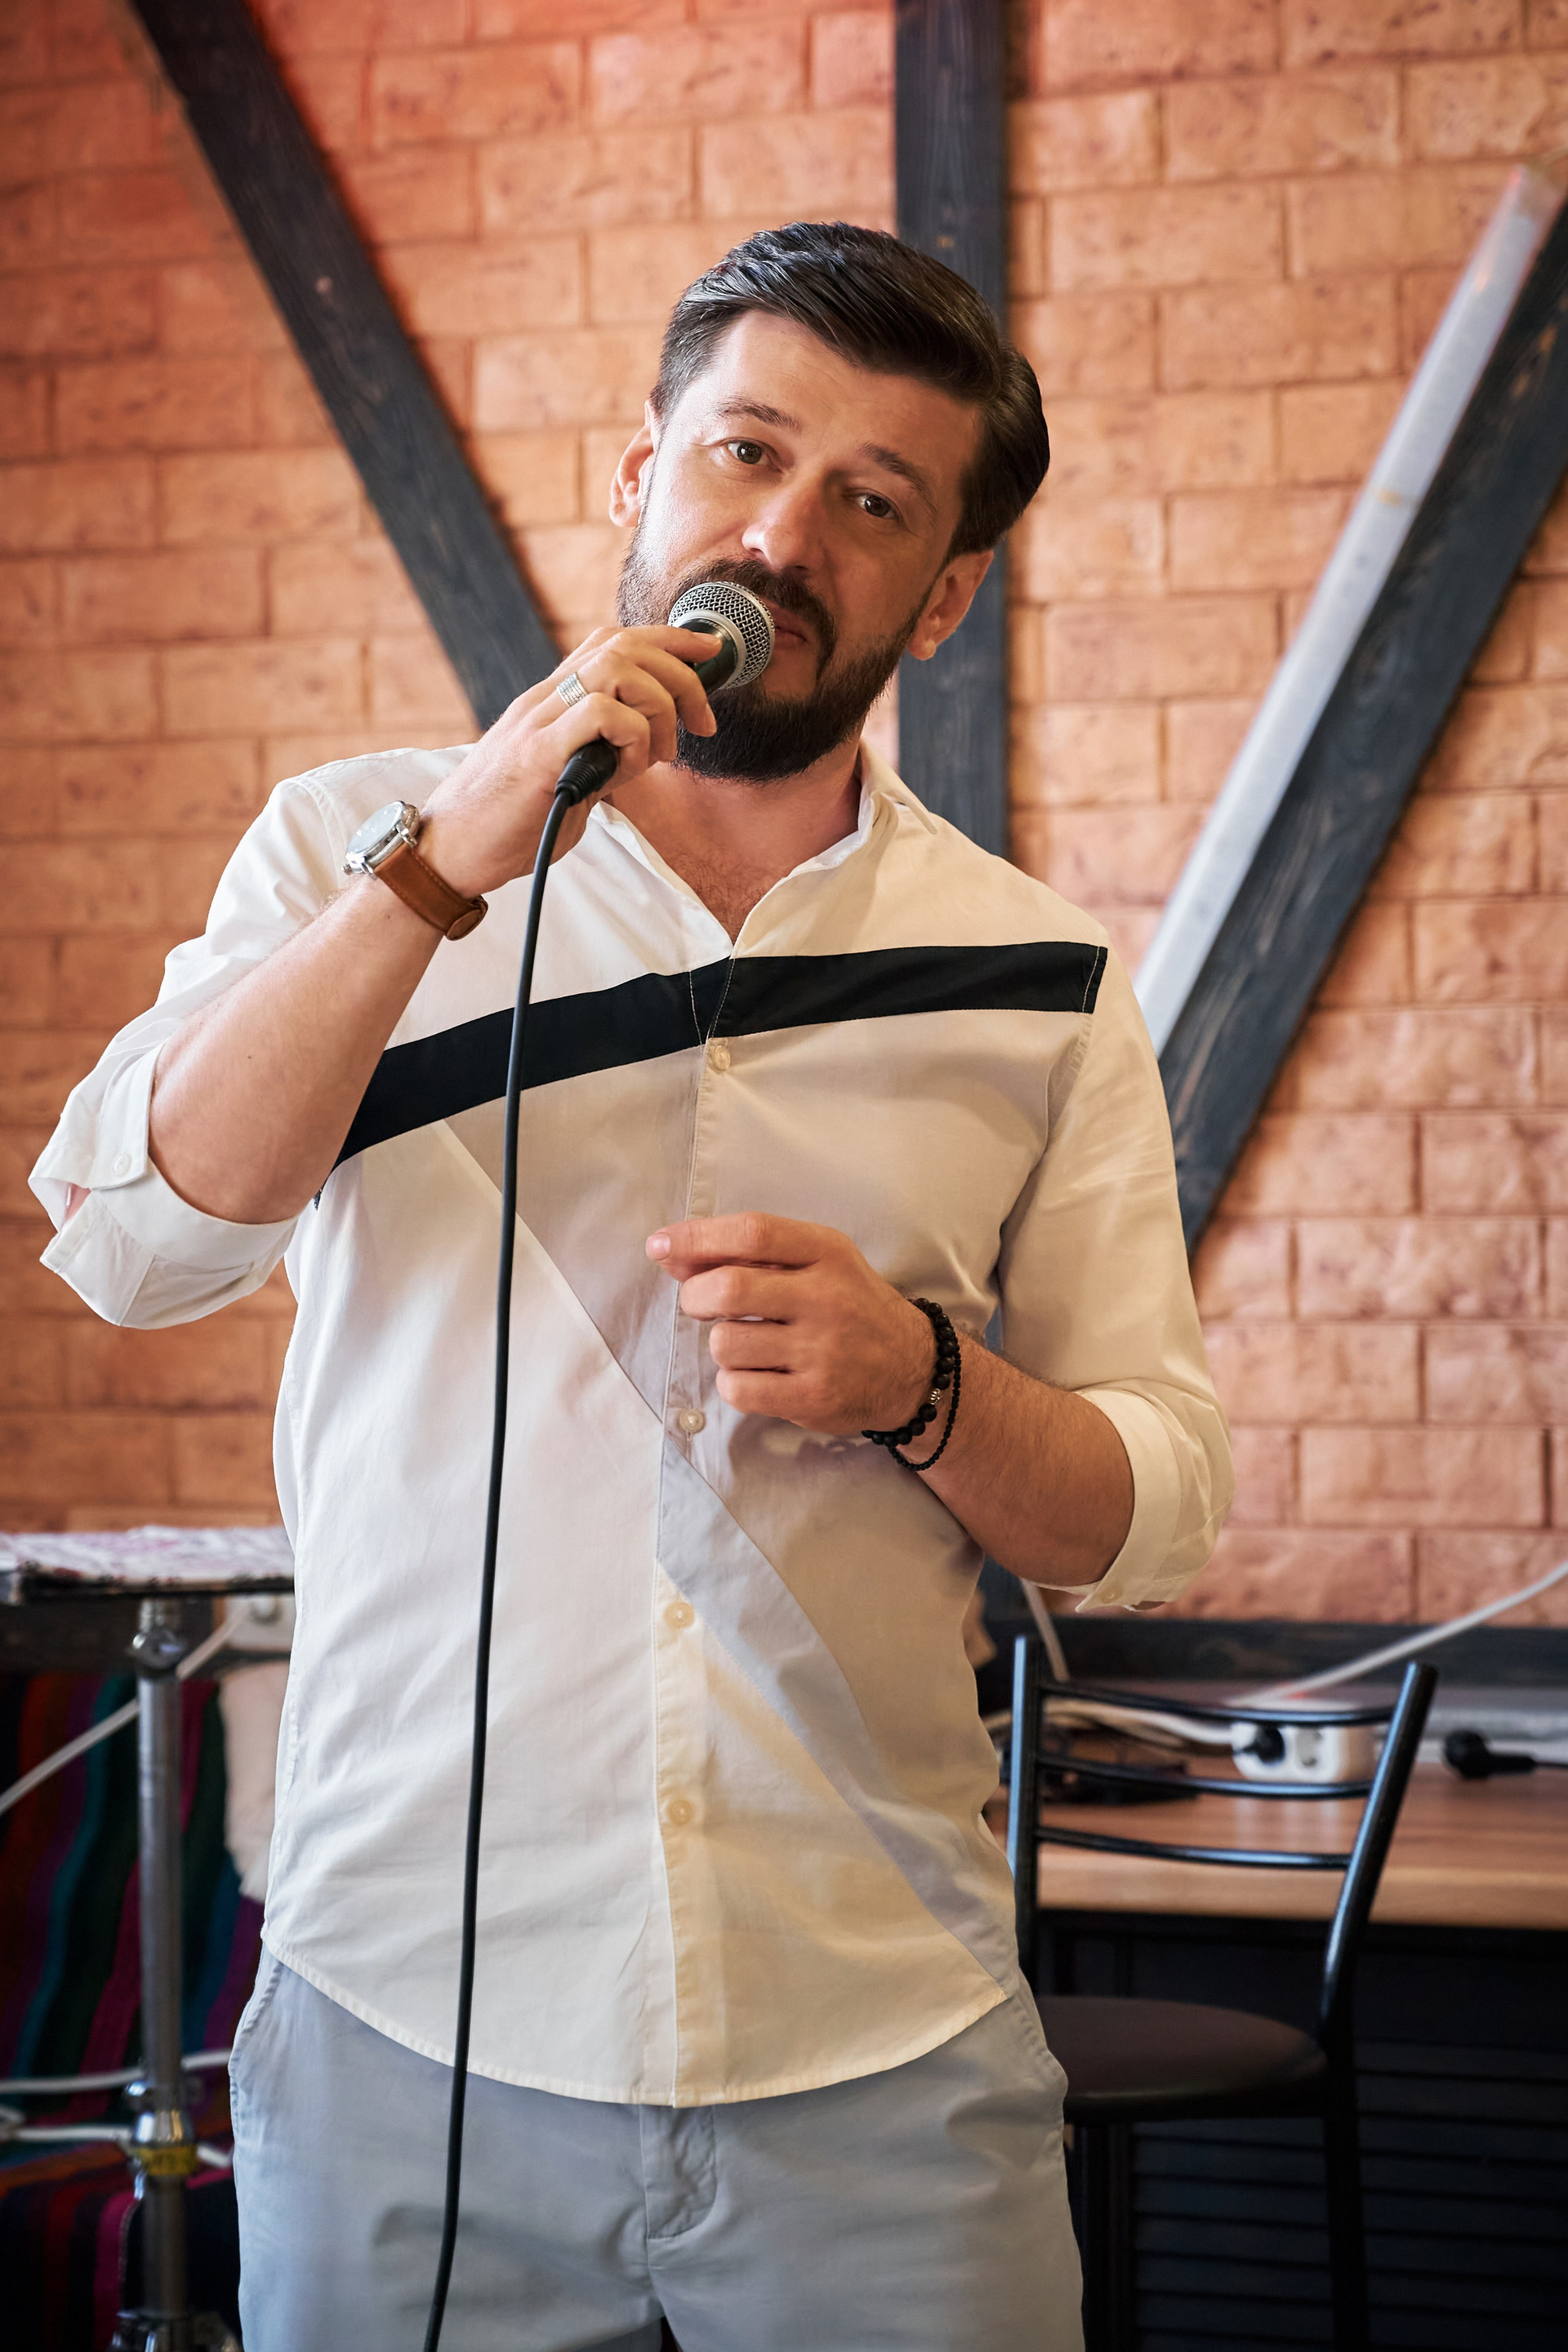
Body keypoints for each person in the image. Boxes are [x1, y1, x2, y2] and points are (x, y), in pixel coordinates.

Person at [32, 222, 1232, 2351]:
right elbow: (136, 1244)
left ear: (945, 594)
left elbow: (1152, 1506)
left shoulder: (1040, 979)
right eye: (744, 453)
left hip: (879, 2039)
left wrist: (924, 1383)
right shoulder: (348, 844)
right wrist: (443, 862)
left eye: (873, 500)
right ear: (637, 477)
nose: (783, 536)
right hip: (408, 2022)